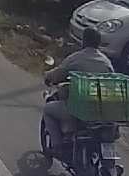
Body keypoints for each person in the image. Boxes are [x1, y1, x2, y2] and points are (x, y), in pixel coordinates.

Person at [42, 27, 114, 156]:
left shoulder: (77, 58)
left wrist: (48, 76)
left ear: (84, 41)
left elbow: (59, 73)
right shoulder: (106, 62)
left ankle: (58, 146)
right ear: (98, 43)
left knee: (48, 110)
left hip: (81, 109)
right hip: (103, 112)